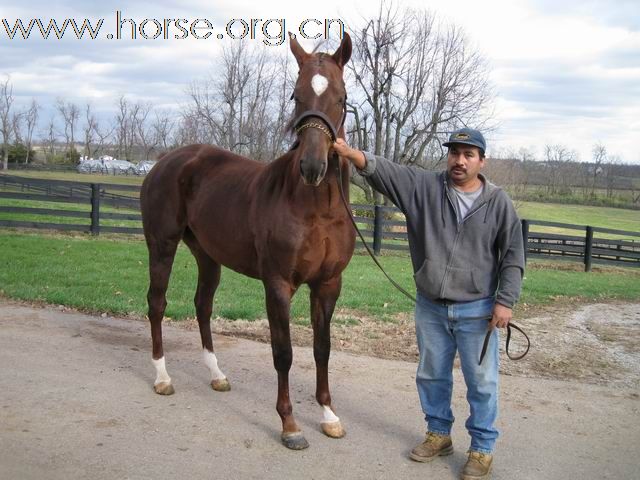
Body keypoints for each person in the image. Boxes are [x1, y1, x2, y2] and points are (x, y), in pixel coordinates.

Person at [333, 128, 524, 480]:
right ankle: (439, 435)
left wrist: (505, 302)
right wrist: (348, 153)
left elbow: (513, 255)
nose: (459, 160)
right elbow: (384, 171)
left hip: (478, 310)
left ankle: (481, 449)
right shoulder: (424, 187)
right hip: (431, 306)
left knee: (481, 383)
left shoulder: (497, 202)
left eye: (468, 154)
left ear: (481, 161)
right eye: (454, 153)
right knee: (432, 375)